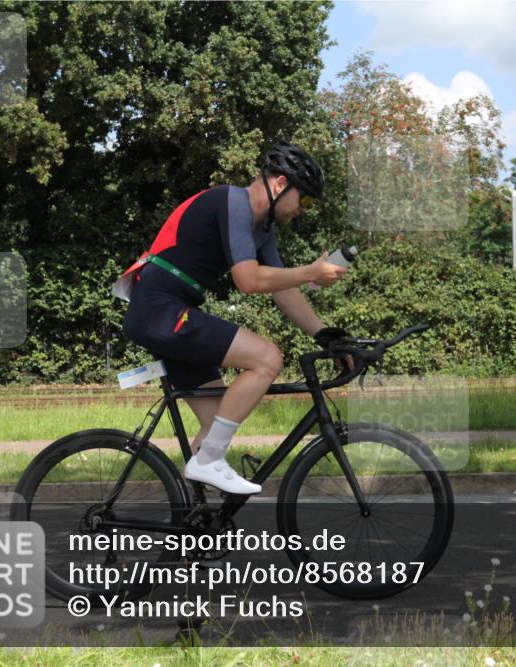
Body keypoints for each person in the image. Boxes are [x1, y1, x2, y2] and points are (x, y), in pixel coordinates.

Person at [120, 141, 351, 495]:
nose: (303, 210)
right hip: (160, 309)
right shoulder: (232, 201)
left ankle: (192, 529)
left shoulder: (261, 229)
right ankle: (208, 461)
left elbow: (282, 290)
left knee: (214, 431)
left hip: (169, 313)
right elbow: (249, 280)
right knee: (267, 357)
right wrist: (310, 271)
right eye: (304, 200)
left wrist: (326, 335)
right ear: (279, 185)